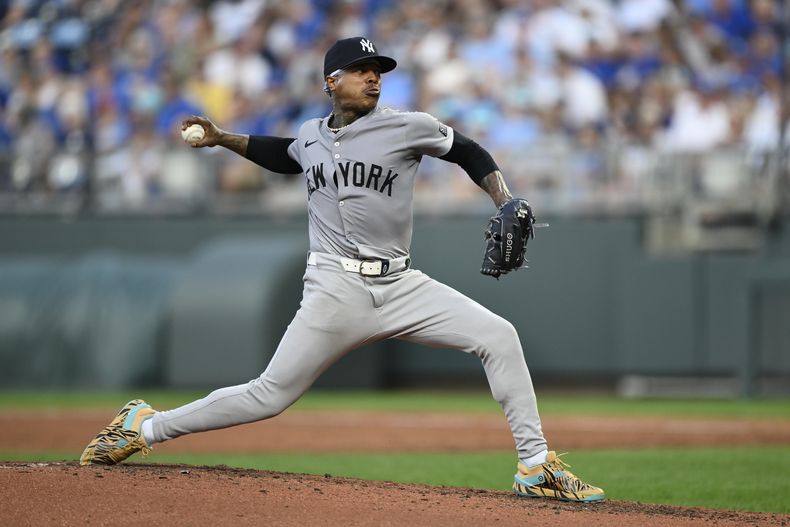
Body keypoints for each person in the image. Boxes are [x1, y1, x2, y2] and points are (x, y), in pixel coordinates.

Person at [80, 36, 604, 503]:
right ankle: (145, 427)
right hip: (334, 288)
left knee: (499, 335)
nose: (374, 76)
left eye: (378, 68)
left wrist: (503, 198)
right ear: (331, 81)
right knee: (269, 395)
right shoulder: (310, 135)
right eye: (361, 68)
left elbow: (469, 151)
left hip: (401, 284)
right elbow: (284, 155)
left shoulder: (406, 127)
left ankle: (535, 466)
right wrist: (222, 139)